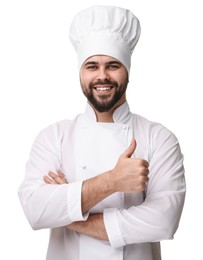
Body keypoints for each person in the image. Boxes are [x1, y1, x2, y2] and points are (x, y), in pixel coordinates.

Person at [18, 5, 186, 260]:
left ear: (127, 70)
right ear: (81, 73)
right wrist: (113, 181)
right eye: (92, 66)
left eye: (113, 65)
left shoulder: (159, 138)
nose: (102, 76)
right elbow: (35, 210)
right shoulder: (53, 137)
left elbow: (163, 221)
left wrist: (69, 213)